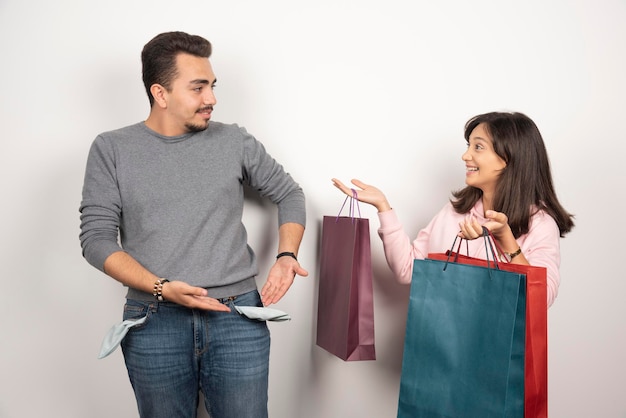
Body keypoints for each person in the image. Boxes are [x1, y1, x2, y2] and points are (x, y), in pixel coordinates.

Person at [79, 31, 307, 418]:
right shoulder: (112, 148)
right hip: (154, 318)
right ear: (160, 93)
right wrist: (162, 288)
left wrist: (287, 255)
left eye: (213, 86)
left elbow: (290, 194)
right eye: (198, 87)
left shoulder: (234, 140)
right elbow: (96, 240)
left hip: (237, 316)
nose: (212, 99)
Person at [333, 111, 574, 307]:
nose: (465, 155)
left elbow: (541, 300)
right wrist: (383, 207)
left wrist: (506, 239)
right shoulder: (456, 211)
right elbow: (407, 269)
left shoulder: (540, 224)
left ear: (508, 158)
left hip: (495, 359)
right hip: (443, 351)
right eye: (469, 146)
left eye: (478, 147)